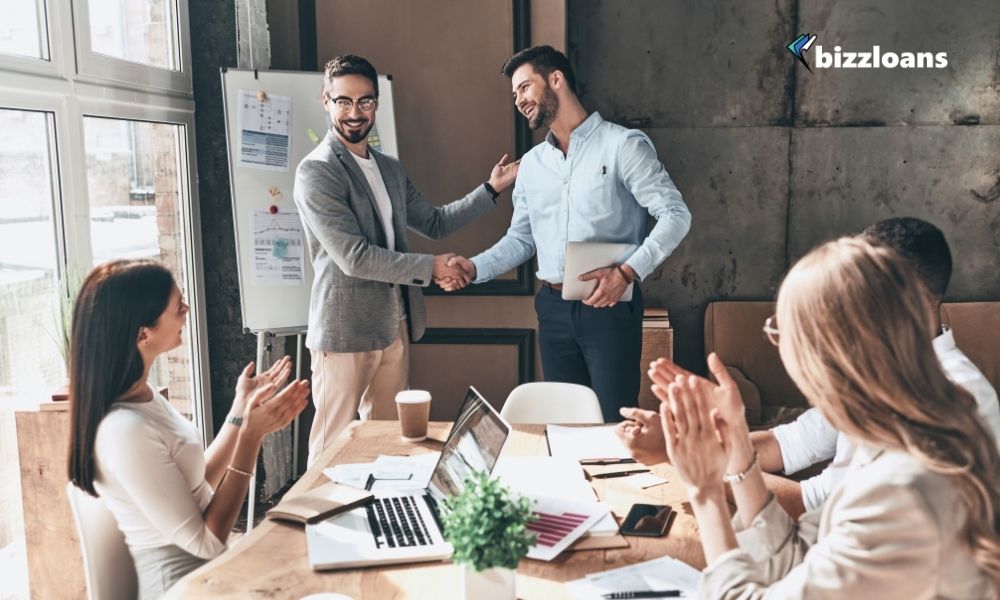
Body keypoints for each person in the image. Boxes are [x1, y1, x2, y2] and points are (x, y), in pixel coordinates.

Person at [661, 238, 1000, 598]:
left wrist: (706, 490)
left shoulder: (904, 484)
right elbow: (796, 554)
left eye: (783, 333)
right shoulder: (884, 427)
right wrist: (738, 448)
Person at [618, 217, 1000, 517]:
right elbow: (791, 443)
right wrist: (683, 441)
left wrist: (687, 460)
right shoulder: (881, 366)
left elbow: (816, 507)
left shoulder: (954, 400)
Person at [294, 54, 519, 466]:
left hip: (392, 324)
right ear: (325, 101)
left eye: (364, 101)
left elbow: (434, 222)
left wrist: (491, 188)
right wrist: (430, 269)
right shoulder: (318, 171)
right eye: (343, 101)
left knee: (388, 446)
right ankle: (313, 526)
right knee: (330, 452)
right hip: (344, 333)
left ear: (376, 104)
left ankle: (379, 523)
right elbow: (353, 257)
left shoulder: (388, 169)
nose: (354, 112)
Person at [444, 45, 690, 422]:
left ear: (556, 79)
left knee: (613, 426)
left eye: (525, 88)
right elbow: (521, 239)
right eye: (514, 94)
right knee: (566, 429)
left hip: (609, 310)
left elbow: (675, 215)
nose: (519, 100)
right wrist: (473, 268)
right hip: (553, 310)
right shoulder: (533, 165)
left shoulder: (623, 145)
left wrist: (627, 272)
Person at [67, 260, 309, 599]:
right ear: (142, 332)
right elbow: (207, 542)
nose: (186, 309)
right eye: (176, 306)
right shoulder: (124, 431)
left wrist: (240, 410)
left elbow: (197, 481)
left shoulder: (143, 395)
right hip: (182, 589)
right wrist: (251, 437)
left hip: (210, 577)